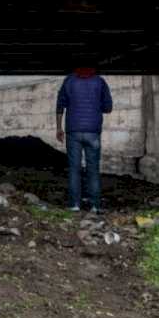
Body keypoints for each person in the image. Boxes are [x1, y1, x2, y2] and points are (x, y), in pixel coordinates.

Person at [56, 66, 113, 213]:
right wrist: (95, 105)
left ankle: (75, 205)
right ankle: (95, 206)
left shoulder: (69, 81)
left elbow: (60, 105)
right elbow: (108, 107)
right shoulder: (100, 82)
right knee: (93, 169)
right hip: (93, 132)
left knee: (74, 169)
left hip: (73, 131)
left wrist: (58, 128)